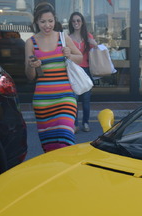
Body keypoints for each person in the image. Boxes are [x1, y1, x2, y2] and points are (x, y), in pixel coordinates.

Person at [25, 3, 83, 152]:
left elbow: (80, 58)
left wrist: (69, 54)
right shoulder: (30, 42)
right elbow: (30, 76)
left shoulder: (63, 37)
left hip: (65, 98)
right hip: (43, 101)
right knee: (50, 147)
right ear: (36, 22)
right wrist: (32, 66)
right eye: (43, 21)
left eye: (50, 21)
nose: (47, 25)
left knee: (65, 140)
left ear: (54, 20)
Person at [68, 12, 97, 132]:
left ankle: (85, 123)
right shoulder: (68, 38)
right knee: (74, 100)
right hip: (74, 72)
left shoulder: (88, 36)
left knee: (86, 99)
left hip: (86, 70)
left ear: (82, 22)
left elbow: (96, 48)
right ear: (71, 23)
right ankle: (74, 124)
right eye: (74, 21)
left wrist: (93, 42)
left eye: (78, 21)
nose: (76, 23)